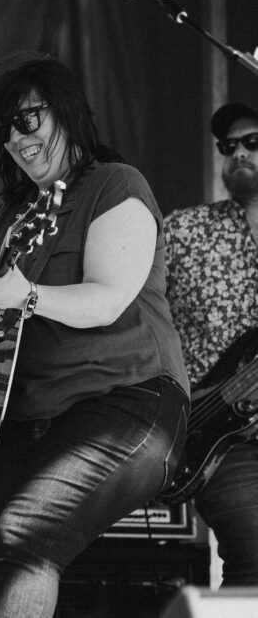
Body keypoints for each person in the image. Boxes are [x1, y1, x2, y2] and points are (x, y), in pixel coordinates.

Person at [0, 54, 189, 617]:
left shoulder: (116, 185)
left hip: (128, 401)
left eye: (28, 119)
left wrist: (26, 297)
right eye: (4, 130)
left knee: (25, 530)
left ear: (66, 114)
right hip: (20, 422)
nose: (15, 138)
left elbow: (108, 299)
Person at [163, 102, 258, 586]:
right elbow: (133, 320)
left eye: (253, 142)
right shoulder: (183, 231)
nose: (238, 152)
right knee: (254, 550)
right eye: (229, 146)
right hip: (217, 436)